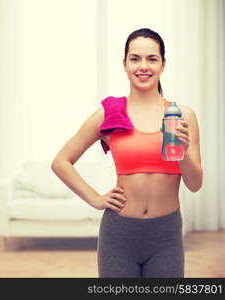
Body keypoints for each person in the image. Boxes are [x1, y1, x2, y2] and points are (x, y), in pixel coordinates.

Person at [51, 28, 203, 278]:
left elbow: (195, 184)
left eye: (152, 59)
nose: (143, 66)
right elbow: (61, 162)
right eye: (135, 58)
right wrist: (95, 198)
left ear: (163, 64)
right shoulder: (109, 113)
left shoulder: (182, 116)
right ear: (124, 64)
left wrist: (184, 151)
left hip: (166, 235)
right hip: (119, 234)